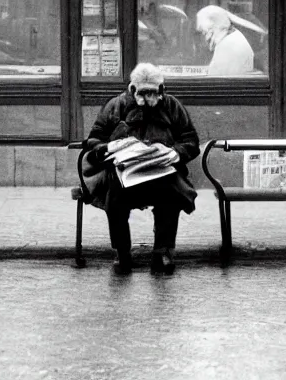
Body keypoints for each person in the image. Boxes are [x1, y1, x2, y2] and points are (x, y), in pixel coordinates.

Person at [83, 63, 200, 275]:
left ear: (162, 90)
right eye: (142, 92)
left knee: (171, 195)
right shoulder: (116, 105)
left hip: (162, 171)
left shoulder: (172, 106)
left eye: (152, 93)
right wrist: (108, 148)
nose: (146, 98)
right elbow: (94, 138)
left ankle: (162, 251)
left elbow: (191, 141)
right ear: (132, 89)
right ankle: (122, 251)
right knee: (115, 197)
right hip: (125, 173)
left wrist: (175, 153)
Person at [196, 5, 255, 76]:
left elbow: (215, 79)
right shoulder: (233, 37)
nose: (206, 38)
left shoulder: (228, 46)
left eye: (205, 32)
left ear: (215, 26)